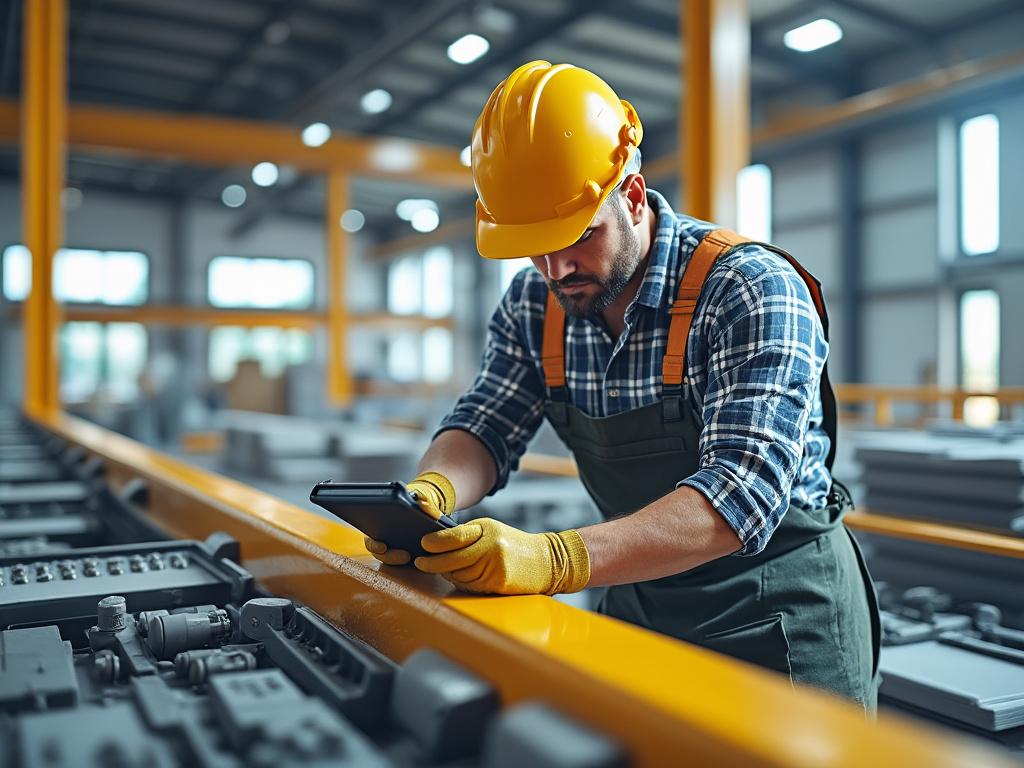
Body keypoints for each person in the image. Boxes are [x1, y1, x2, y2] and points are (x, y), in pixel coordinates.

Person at [366, 60, 879, 709]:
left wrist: (552, 560)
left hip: (778, 618)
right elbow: (485, 424)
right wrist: (430, 495)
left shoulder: (749, 289)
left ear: (633, 196)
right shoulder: (537, 302)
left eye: (577, 236)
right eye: (533, 245)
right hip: (642, 604)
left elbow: (740, 496)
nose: (556, 268)